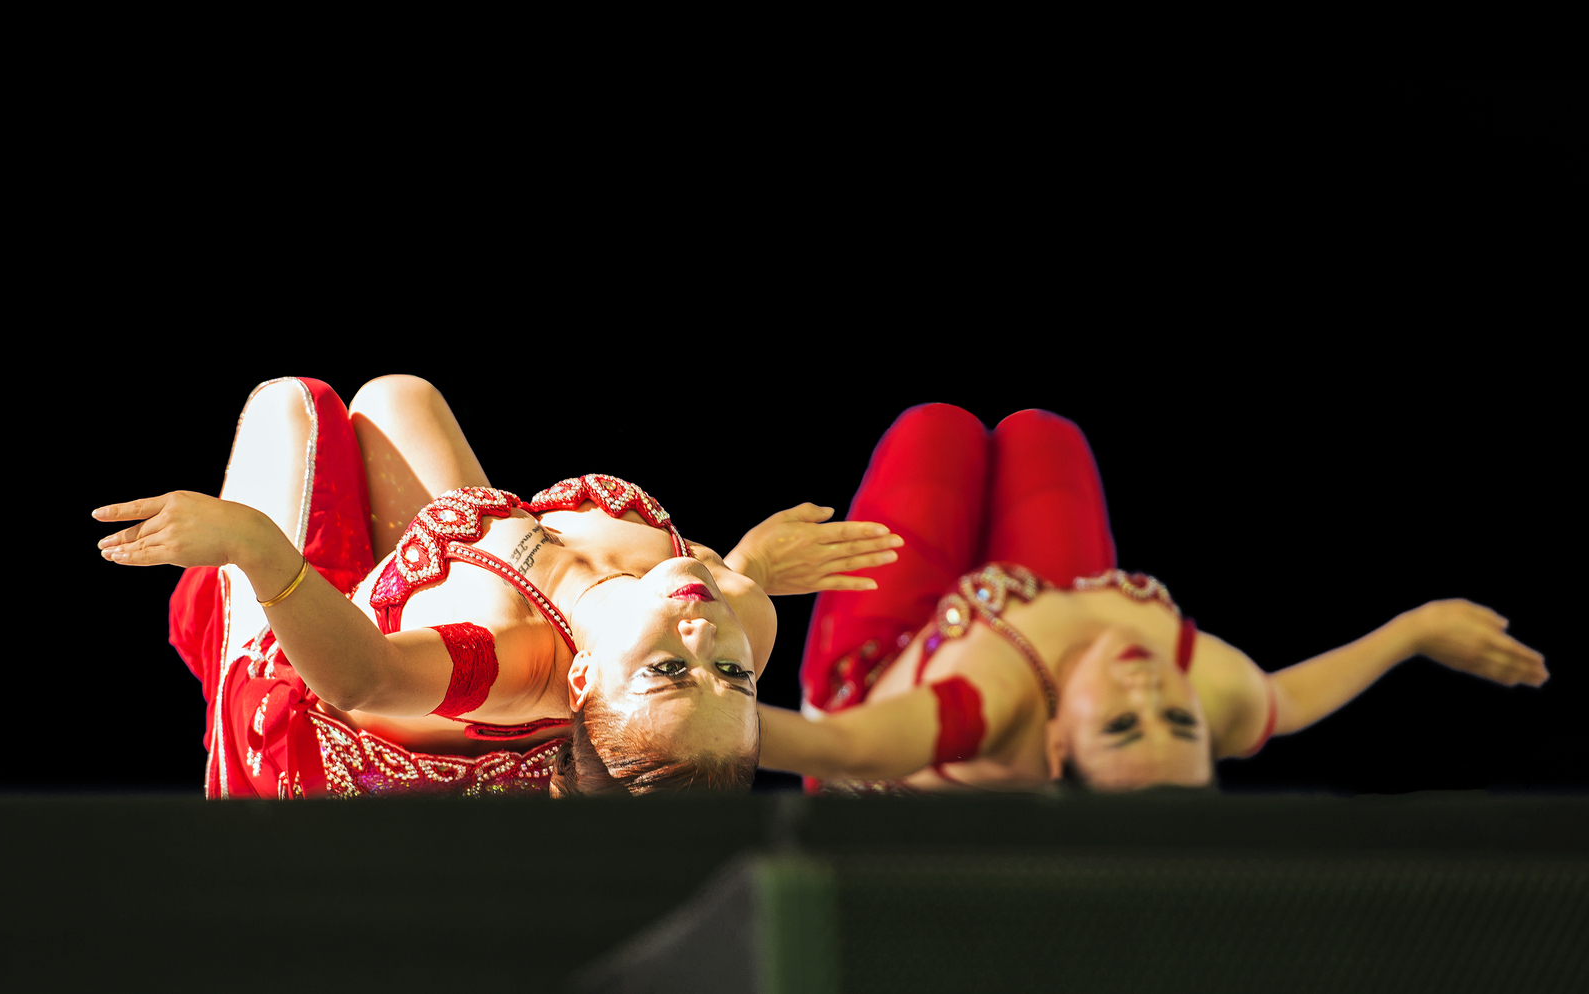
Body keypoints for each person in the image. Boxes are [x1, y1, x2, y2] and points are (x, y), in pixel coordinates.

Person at [94, 376, 903, 798]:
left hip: (314, 703)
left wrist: (254, 547)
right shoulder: (738, 611)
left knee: (296, 402)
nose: (706, 638)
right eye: (731, 675)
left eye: (668, 671)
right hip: (457, 588)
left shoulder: (512, 662)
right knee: (397, 397)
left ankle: (232, 642)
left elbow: (363, 677)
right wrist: (753, 562)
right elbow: (725, 610)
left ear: (583, 679)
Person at [757, 404, 1549, 793]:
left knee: (937, 428)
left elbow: (839, 752)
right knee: (1041, 433)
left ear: (1058, 744)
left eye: (1122, 723)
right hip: (1045, 607)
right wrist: (1414, 631)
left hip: (888, 677)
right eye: (1180, 719)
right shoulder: (1220, 689)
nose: (1150, 691)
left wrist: (691, 711)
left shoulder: (985, 712)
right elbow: (1291, 702)